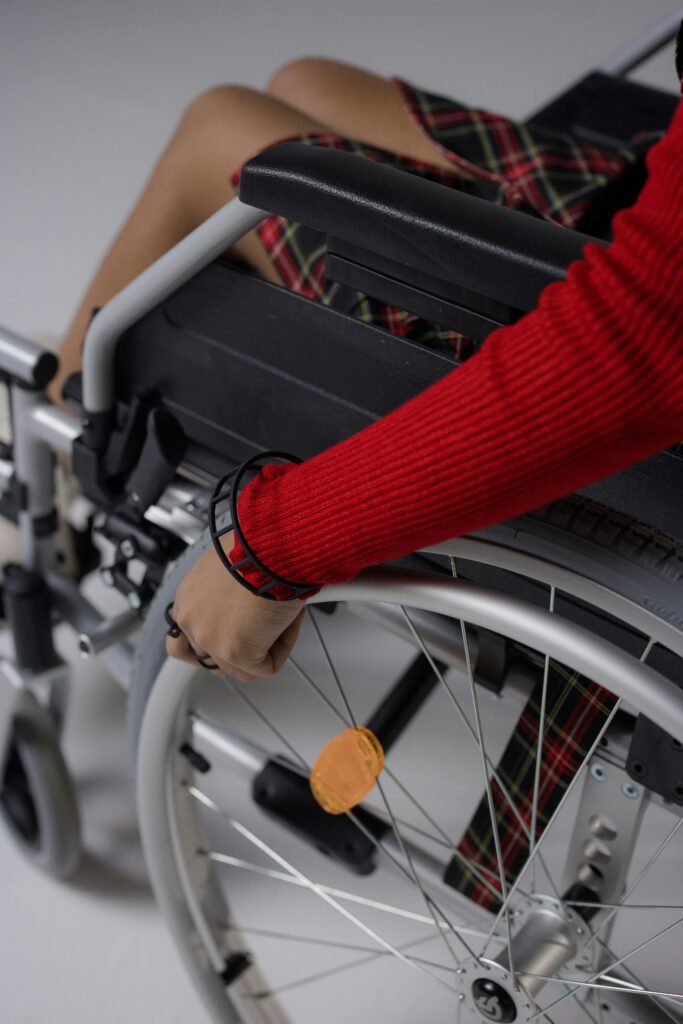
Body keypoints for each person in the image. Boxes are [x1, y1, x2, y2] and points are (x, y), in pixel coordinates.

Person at [52, 48, 683, 681]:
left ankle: (57, 430)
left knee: (218, 130)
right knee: (306, 83)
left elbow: (646, 342)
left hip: (607, 344)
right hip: (638, 214)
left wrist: (274, 547)